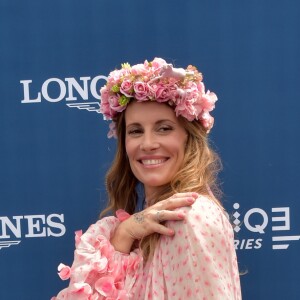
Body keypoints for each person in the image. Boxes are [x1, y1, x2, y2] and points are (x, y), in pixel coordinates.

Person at [52, 57, 242, 299]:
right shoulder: (149, 221)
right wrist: (123, 235)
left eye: (164, 128)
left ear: (189, 137)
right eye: (136, 131)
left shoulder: (188, 217)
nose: (148, 144)